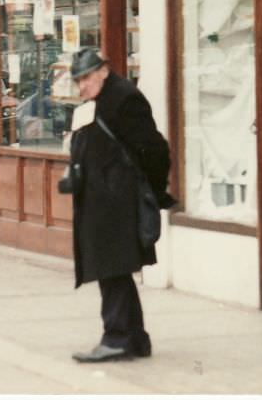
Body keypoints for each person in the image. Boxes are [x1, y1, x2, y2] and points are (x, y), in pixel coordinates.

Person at [59, 47, 175, 362]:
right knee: (114, 270)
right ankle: (134, 338)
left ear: (104, 71)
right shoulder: (96, 102)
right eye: (77, 81)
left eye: (85, 78)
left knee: (113, 269)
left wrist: (146, 189)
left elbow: (155, 149)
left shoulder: (124, 98)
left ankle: (118, 337)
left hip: (118, 204)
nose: (81, 86)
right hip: (102, 203)